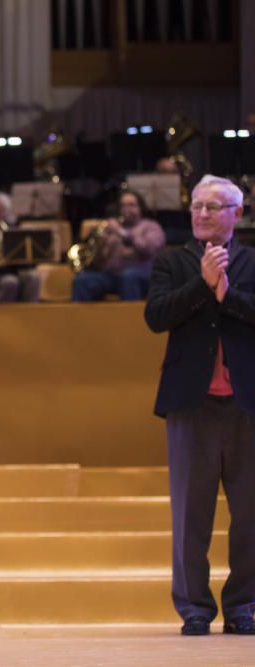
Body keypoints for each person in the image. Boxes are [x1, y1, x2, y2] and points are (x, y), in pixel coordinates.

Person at [144, 175, 255, 637]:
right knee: (191, 513)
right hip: (192, 404)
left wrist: (226, 294)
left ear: (236, 213)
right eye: (196, 206)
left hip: (246, 404)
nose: (202, 214)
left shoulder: (251, 260)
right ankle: (193, 607)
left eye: (213, 206)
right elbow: (156, 316)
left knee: (250, 513)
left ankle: (243, 606)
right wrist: (203, 286)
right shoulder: (173, 260)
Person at [72, 191, 166, 301]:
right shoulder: (112, 228)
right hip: (112, 276)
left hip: (142, 275)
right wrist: (100, 245)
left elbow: (149, 248)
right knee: (82, 280)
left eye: (131, 205)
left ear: (140, 208)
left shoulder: (151, 226)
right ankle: (80, 317)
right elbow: (99, 261)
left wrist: (122, 233)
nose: (127, 209)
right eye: (123, 205)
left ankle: (129, 317)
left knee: (128, 276)